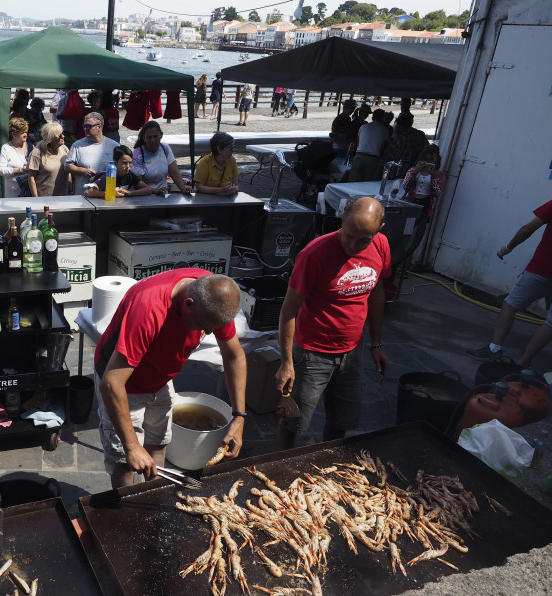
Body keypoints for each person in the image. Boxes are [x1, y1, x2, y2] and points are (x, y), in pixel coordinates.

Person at [95, 271, 247, 488]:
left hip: (160, 378)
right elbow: (111, 383)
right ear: (188, 304)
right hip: (123, 385)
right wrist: (132, 447)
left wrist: (239, 417)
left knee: (158, 443)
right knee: (124, 461)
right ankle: (124, 509)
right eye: (205, 327)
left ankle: (154, 499)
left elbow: (234, 355)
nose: (211, 333)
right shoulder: (149, 309)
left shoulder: (215, 296)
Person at [275, 196, 391, 451]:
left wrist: (376, 344)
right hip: (312, 353)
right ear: (342, 221)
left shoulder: (381, 245)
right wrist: (286, 362)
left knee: (342, 419)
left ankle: (330, 459)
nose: (353, 245)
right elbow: (288, 310)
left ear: (379, 230)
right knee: (294, 420)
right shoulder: (314, 254)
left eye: (364, 239)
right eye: (349, 235)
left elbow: (377, 294)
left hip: (352, 351)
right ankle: (278, 461)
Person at [467, 199, 552, 367]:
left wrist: (508, 247)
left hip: (541, 270)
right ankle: (522, 365)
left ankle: (494, 348)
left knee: (510, 304)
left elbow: (527, 229)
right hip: (540, 271)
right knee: (550, 324)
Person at [131, 120, 192, 194]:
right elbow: (137, 183)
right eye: (149, 137)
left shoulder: (165, 148)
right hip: (145, 195)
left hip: (163, 195)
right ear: (144, 138)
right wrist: (154, 191)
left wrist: (182, 188)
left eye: (155, 136)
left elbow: (174, 172)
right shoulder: (138, 154)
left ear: (161, 135)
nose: (152, 140)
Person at [84, 145, 161, 199]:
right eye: (124, 163)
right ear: (115, 162)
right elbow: (88, 192)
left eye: (130, 162)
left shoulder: (130, 175)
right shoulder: (107, 175)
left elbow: (147, 189)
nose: (128, 166)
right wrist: (109, 194)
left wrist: (130, 193)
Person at [65, 113, 120, 185]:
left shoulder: (114, 146)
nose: (85, 129)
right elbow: (67, 167)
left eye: (88, 126)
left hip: (106, 191)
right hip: (83, 193)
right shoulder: (77, 145)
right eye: (84, 126)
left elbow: (122, 167)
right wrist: (83, 170)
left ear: (99, 127)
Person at [400, 145, 443, 218]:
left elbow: (438, 194)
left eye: (431, 160)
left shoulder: (438, 174)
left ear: (436, 160)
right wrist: (414, 172)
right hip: (411, 201)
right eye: (425, 159)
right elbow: (405, 186)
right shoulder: (413, 169)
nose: (428, 162)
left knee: (420, 226)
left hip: (425, 203)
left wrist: (434, 177)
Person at [27, 122, 69, 197]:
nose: (63, 136)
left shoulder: (65, 149)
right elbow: (31, 177)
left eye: (63, 133)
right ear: (51, 138)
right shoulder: (37, 152)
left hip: (63, 198)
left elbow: (69, 171)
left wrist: (70, 189)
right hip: (45, 198)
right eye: (59, 135)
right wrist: (36, 198)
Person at [348, 109, 390, 182]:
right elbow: (383, 147)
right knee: (367, 184)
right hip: (372, 159)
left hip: (358, 156)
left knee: (353, 183)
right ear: (382, 118)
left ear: (373, 117)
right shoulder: (385, 130)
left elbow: (358, 142)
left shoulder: (363, 126)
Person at [382, 111, 427, 175]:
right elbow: (426, 150)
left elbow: (390, 155)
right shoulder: (420, 134)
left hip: (398, 170)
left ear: (401, 126)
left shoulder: (400, 138)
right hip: (412, 170)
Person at [194, 132, 238, 196]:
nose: (233, 150)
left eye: (233, 147)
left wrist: (233, 189)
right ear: (219, 149)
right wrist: (220, 190)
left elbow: (236, 185)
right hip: (206, 199)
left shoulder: (232, 160)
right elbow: (199, 187)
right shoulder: (205, 162)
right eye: (231, 148)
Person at [0, 117, 32, 197]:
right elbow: (1, 170)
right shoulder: (6, 148)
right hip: (13, 192)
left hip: (29, 191)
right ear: (14, 134)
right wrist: (19, 170)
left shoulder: (30, 147)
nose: (25, 135)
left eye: (26, 132)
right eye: (22, 133)